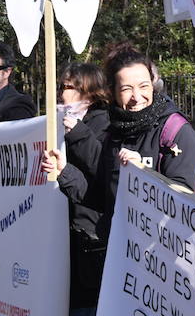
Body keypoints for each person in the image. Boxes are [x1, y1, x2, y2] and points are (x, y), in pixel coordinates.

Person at [43, 43, 195, 242]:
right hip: (119, 254)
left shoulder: (177, 132)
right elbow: (103, 198)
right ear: (113, 91)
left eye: (144, 86)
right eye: (127, 89)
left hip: (159, 256)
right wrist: (64, 172)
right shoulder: (115, 133)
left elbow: (183, 206)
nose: (137, 97)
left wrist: (144, 175)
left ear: (153, 85)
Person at [59, 62, 112, 316]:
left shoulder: (104, 122)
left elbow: (101, 168)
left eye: (68, 86)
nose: (61, 92)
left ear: (88, 90)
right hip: (63, 232)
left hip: (90, 233)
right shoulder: (57, 119)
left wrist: (77, 133)